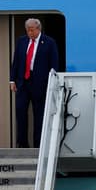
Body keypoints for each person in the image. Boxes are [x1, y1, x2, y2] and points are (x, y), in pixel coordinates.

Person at [9, 18, 59, 148]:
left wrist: (51, 83)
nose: (29, 33)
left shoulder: (49, 42)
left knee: (39, 115)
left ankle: (39, 145)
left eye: (31, 30)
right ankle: (22, 143)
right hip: (23, 82)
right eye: (27, 30)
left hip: (40, 84)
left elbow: (54, 65)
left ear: (38, 29)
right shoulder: (22, 41)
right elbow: (16, 62)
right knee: (20, 112)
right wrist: (12, 79)